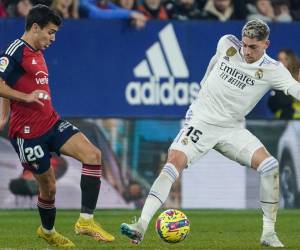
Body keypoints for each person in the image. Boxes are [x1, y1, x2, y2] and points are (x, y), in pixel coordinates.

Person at [120, 19, 300, 248]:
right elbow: (214, 62)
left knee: (270, 166)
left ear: (266, 44)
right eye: (244, 44)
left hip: (232, 129)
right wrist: (201, 93)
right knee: (173, 161)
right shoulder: (227, 43)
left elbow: (295, 89)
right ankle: (141, 225)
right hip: (202, 122)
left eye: (253, 47)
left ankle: (268, 233)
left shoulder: (273, 70)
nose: (246, 51)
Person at [0, 4, 114, 247]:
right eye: (50, 32)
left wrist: (4, 113)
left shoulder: (38, 51)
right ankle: (48, 231)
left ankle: (85, 220)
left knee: (93, 155)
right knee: (49, 188)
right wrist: (24, 98)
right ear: (34, 27)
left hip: (51, 122)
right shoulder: (15, 51)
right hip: (27, 133)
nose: (53, 38)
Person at [268, 48, 300, 119]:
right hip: (285, 120)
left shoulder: (298, 74)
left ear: (291, 60)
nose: (280, 62)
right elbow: (272, 103)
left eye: (284, 59)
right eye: (279, 59)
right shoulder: (277, 78)